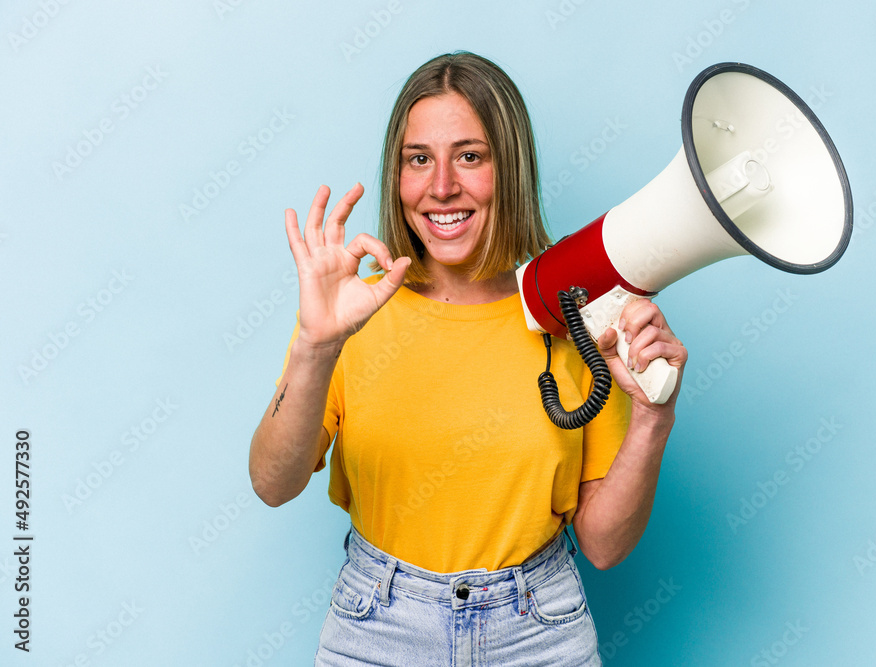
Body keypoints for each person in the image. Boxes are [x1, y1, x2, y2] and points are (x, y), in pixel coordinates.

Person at [249, 51, 687, 666]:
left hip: (538, 629)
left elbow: (605, 546)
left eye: (471, 156)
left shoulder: (575, 315)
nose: (442, 187)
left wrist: (651, 419)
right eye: (419, 159)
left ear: (509, 169)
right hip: (379, 626)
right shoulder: (351, 309)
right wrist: (314, 347)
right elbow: (273, 483)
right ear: (396, 175)